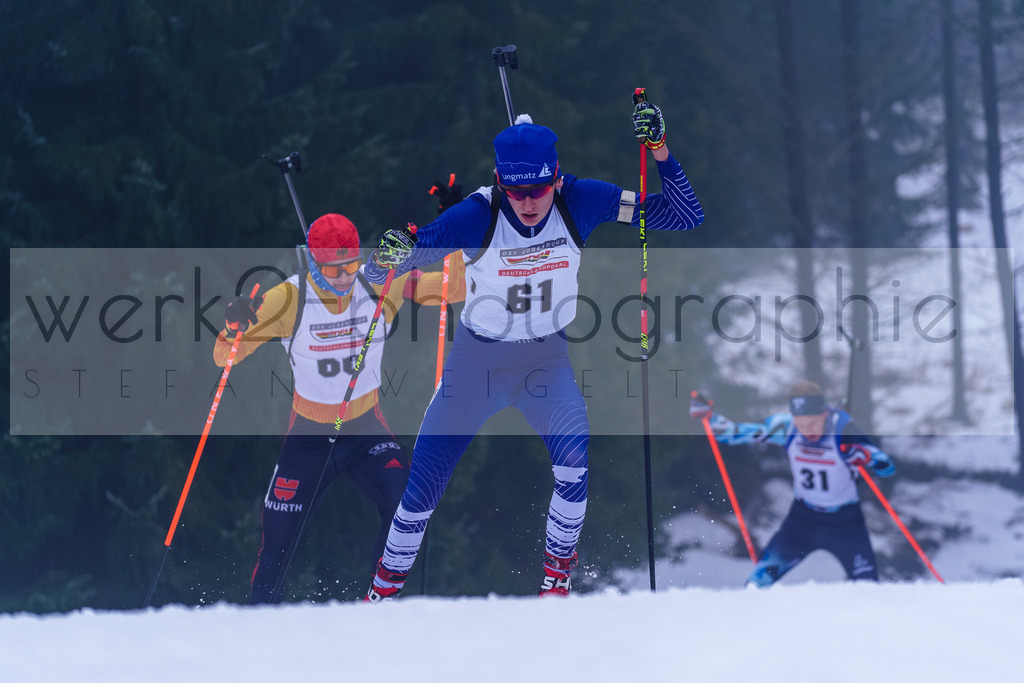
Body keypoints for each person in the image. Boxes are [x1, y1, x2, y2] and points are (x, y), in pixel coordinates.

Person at [361, 101, 705, 601]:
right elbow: (382, 271)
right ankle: (380, 597)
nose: (527, 203)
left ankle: (555, 585)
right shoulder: (478, 213)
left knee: (574, 460)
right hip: (476, 367)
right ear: (501, 183)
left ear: (556, 179)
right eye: (516, 191)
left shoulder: (582, 200)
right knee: (419, 494)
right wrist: (388, 252)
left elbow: (684, 216)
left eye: (538, 189)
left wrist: (659, 148)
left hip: (544, 362)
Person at [213, 212, 465, 603]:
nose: (345, 277)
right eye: (333, 270)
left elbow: (452, 290)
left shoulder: (380, 283)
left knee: (409, 507)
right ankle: (259, 623)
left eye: (350, 265)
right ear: (313, 262)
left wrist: (459, 236)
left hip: (366, 431)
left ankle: (377, 602)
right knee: (277, 541)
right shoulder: (289, 298)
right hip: (308, 438)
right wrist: (233, 326)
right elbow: (224, 356)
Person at [689, 380, 895, 586]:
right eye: (801, 424)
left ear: (824, 413)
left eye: (813, 423)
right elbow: (734, 433)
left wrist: (867, 456)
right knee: (757, 582)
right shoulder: (786, 426)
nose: (807, 430)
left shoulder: (843, 428)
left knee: (867, 586)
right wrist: (709, 417)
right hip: (803, 521)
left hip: (846, 522)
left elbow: (885, 467)